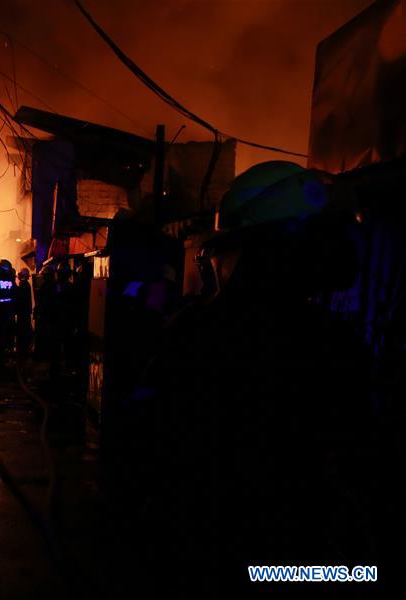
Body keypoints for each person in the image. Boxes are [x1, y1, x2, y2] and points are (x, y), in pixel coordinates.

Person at [116, 161, 388, 596]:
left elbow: (139, 444)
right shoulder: (333, 345)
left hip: (203, 558)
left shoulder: (196, 332)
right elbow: (362, 467)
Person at [15, 267, 34, 354]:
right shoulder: (26, 284)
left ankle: (23, 348)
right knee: (26, 328)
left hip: (23, 311)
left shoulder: (23, 285)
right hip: (25, 311)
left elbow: (20, 298)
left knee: (23, 329)